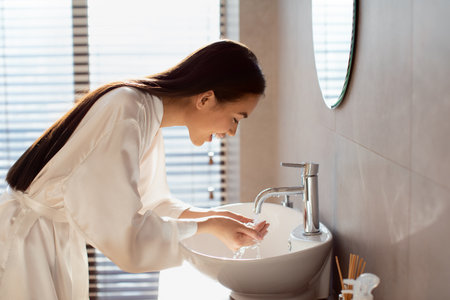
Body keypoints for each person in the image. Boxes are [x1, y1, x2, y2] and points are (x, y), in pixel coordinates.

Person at [0, 39, 269, 299]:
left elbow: (151, 203)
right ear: (206, 99)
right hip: (27, 245)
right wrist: (207, 226)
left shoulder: (144, 114)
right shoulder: (128, 110)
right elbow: (126, 234)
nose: (232, 132)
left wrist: (213, 217)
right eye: (235, 118)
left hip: (47, 241)